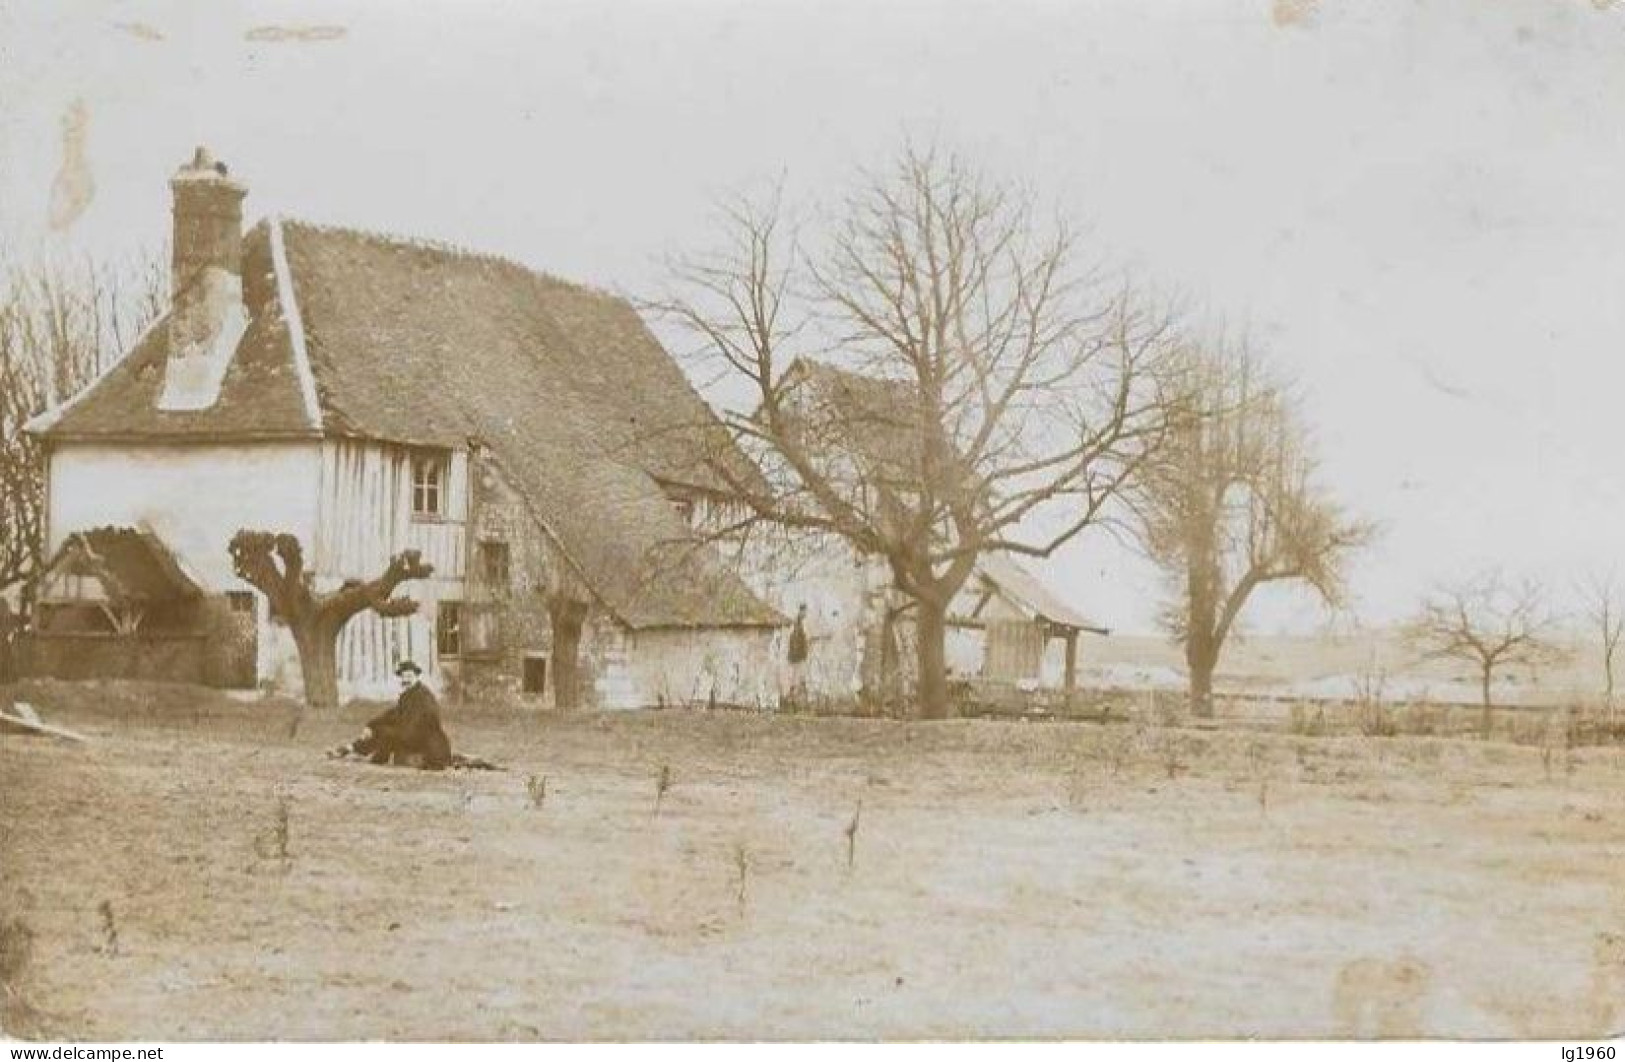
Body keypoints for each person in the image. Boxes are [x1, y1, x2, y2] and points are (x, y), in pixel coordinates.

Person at [331, 660, 453, 770]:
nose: (406, 680)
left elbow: (413, 729)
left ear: (416, 677)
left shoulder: (423, 697)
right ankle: (354, 750)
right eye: (403, 677)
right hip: (413, 737)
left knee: (385, 732)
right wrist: (371, 725)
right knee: (383, 730)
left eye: (409, 676)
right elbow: (392, 715)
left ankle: (356, 751)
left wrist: (383, 731)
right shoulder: (408, 696)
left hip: (427, 743)